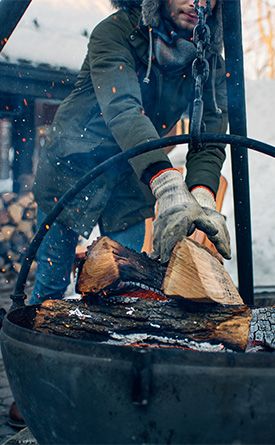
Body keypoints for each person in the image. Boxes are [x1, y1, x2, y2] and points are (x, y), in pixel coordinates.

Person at [30, 0, 230, 305]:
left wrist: (202, 194)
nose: (197, 2)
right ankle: (37, 346)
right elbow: (124, 111)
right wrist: (166, 184)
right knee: (50, 289)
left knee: (128, 289)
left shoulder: (207, 59)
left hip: (133, 178)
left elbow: (209, 137)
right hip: (72, 172)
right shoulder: (115, 33)